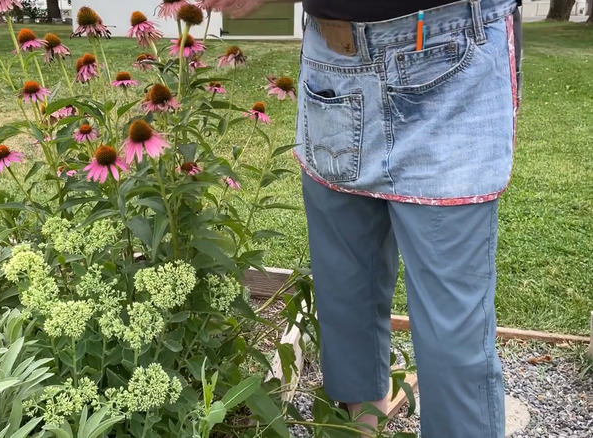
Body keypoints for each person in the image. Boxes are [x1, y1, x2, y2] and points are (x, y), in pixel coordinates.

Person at [200, 0, 523, 436]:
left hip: (451, 52)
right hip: (334, 58)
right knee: (345, 294)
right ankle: (357, 428)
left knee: (452, 335)